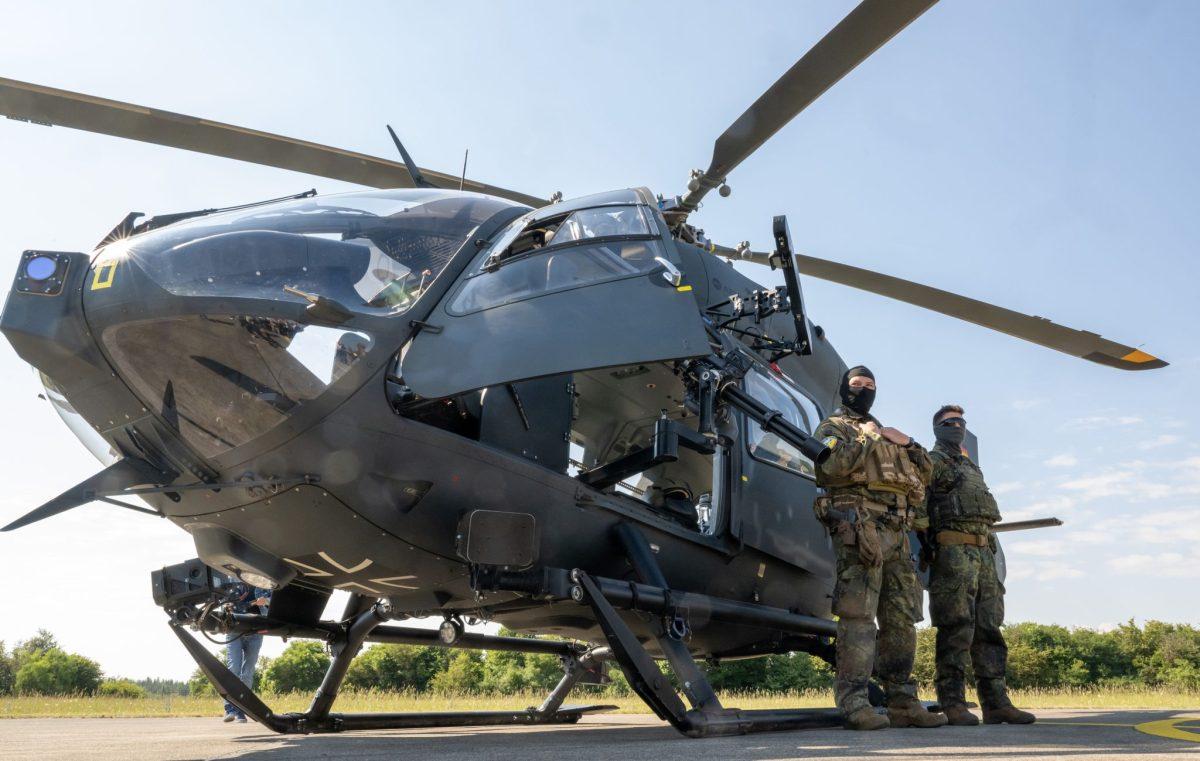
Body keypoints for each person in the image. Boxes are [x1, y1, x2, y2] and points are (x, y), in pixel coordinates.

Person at [813, 366, 946, 731]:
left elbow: (926, 473)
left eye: (869, 386)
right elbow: (831, 466)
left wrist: (909, 443)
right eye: (856, 385)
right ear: (844, 389)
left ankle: (903, 702)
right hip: (860, 527)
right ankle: (855, 703)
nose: (863, 390)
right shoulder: (833, 428)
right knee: (858, 616)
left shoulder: (888, 434)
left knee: (902, 618)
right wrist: (868, 439)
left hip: (898, 531)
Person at [925, 405, 1035, 726]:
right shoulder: (933, 463)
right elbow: (919, 508)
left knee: (989, 626)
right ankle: (953, 702)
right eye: (949, 422)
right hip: (953, 550)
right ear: (938, 428)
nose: (957, 425)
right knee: (957, 626)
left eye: (960, 421)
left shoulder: (971, 468)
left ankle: (996, 702)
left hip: (983, 551)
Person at [221, 583, 272, 723]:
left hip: (256, 631)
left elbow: (276, 601)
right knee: (233, 668)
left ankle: (242, 711)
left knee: (248, 672)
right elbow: (220, 601)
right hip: (234, 630)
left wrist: (266, 601)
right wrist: (225, 607)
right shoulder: (231, 579)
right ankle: (230, 709)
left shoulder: (264, 580)